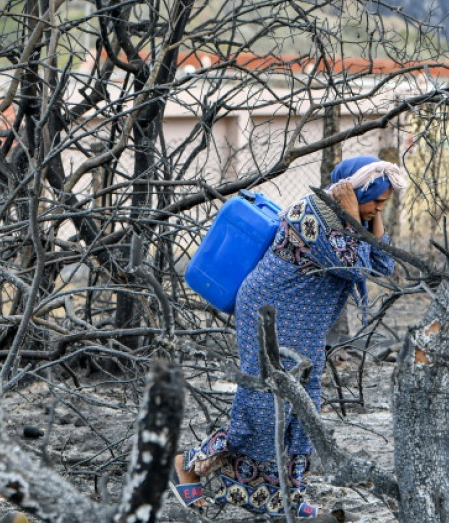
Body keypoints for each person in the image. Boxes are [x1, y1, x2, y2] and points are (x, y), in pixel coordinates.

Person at [170, 155, 407, 519]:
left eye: (383, 203)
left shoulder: (347, 220)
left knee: (301, 411)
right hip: (270, 314)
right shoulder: (312, 214)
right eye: (375, 200)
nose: (378, 208)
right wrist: (353, 215)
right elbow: (353, 265)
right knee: (263, 407)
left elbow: (383, 263)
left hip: (303, 325)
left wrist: (367, 217)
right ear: (354, 192)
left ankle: (286, 497)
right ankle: (188, 463)